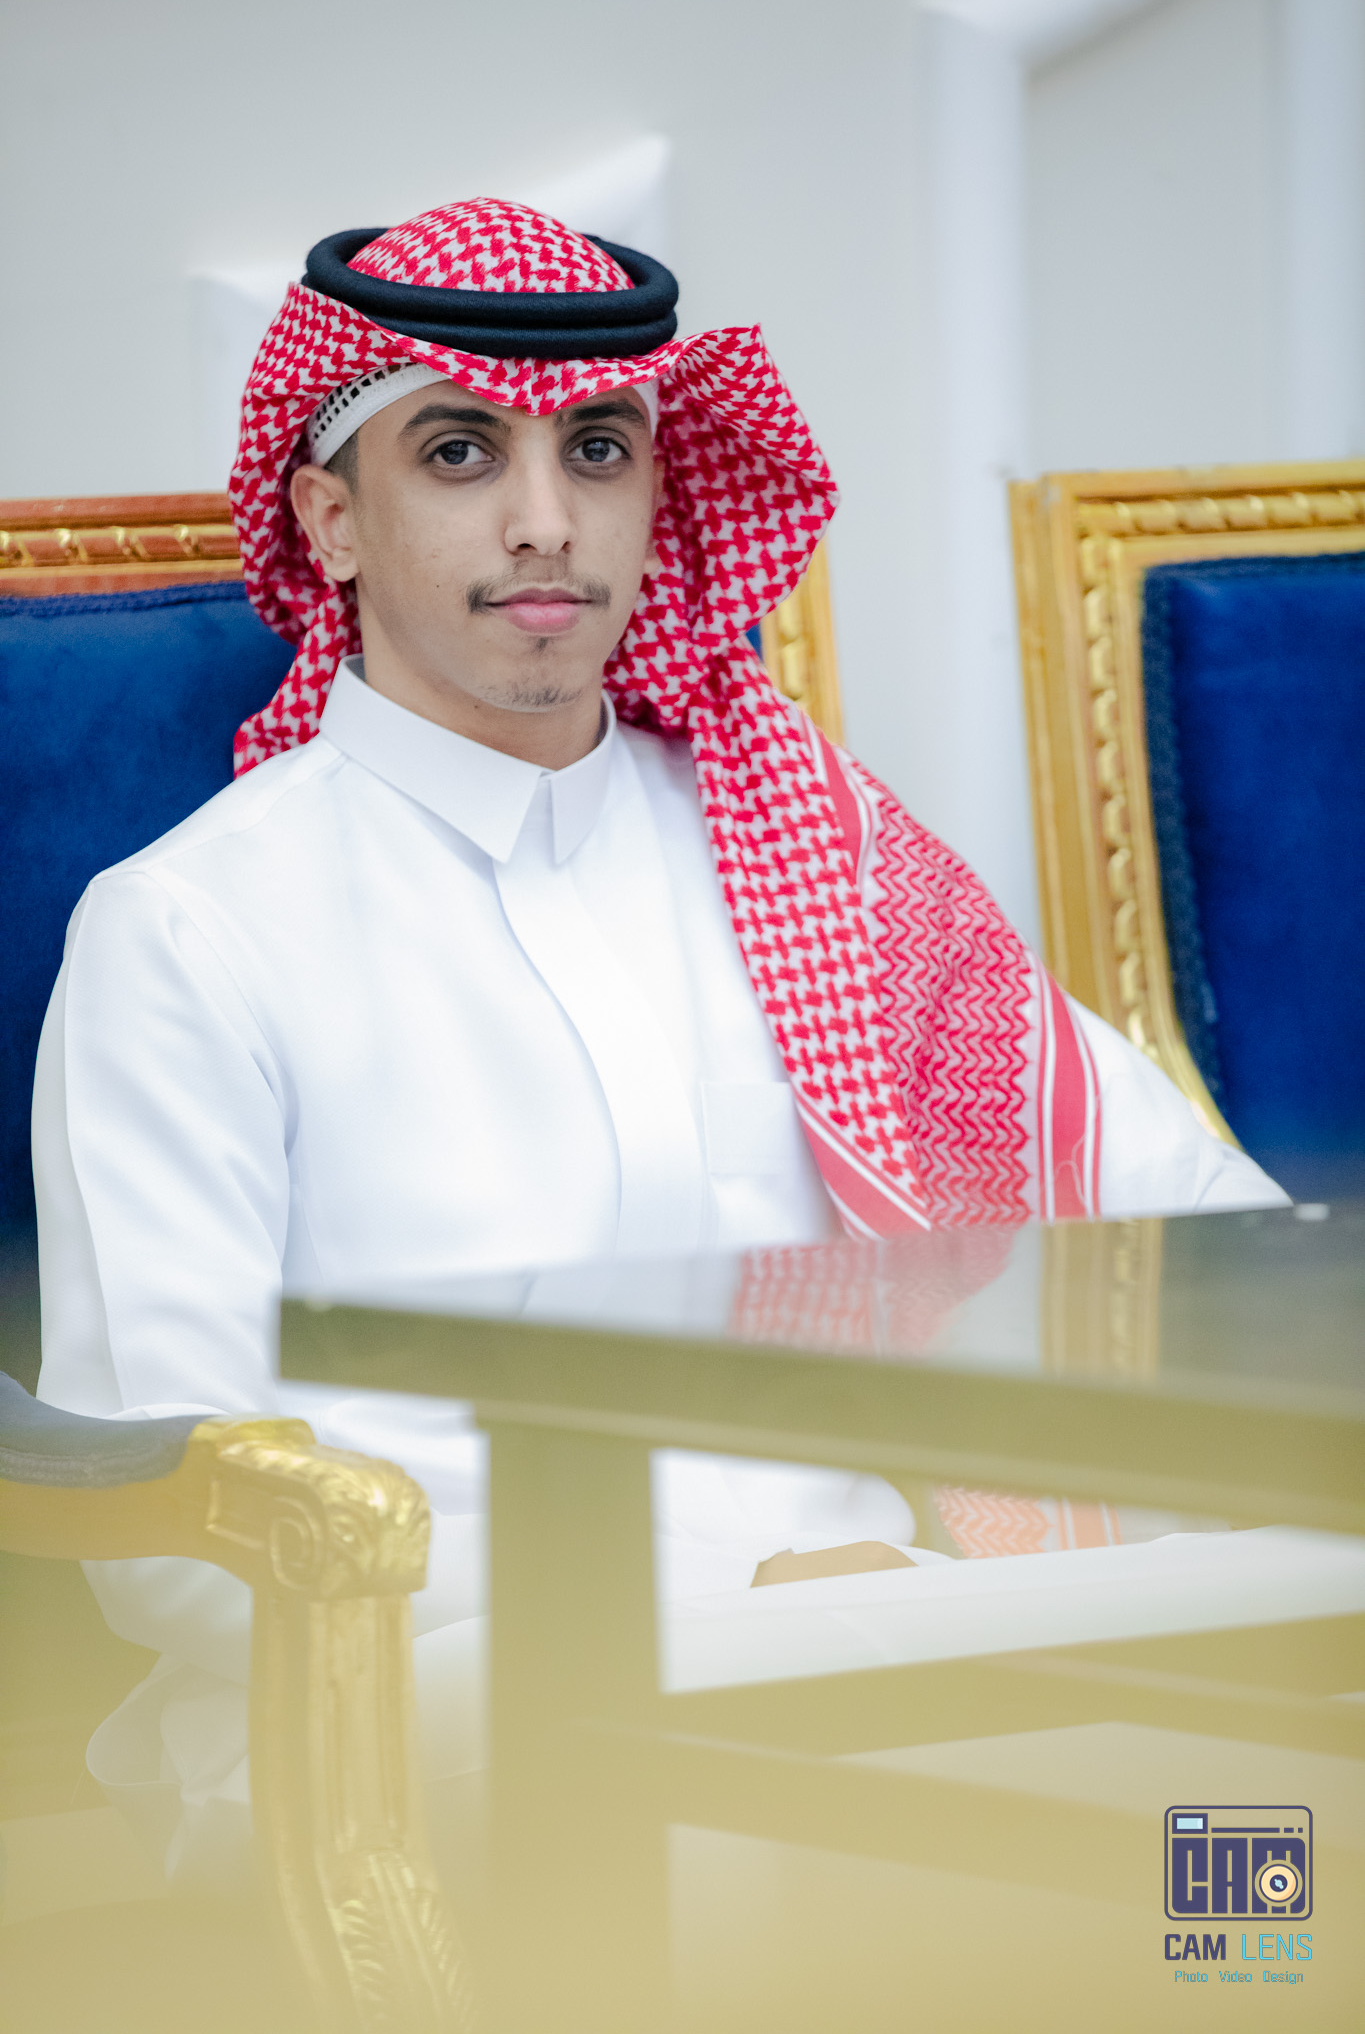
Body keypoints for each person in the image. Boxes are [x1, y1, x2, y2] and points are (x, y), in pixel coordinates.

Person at [31, 200, 1284, 1878]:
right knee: (1112, 1859)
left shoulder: (806, 850)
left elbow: (1193, 1248)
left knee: (1268, 1777)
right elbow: (179, 1525)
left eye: (598, 450)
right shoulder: (189, 932)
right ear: (330, 518)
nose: (546, 522)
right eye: (460, 453)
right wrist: (734, 1595)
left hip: (898, 1641)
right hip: (436, 1693)